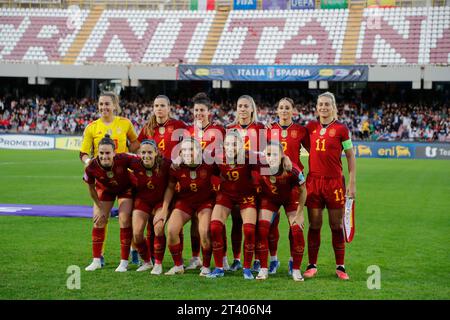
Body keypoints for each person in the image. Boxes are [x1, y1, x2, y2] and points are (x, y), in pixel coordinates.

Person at [79, 92, 140, 266]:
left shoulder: (125, 123)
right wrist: (89, 162)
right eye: (101, 104)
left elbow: (135, 144)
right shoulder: (92, 127)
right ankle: (99, 258)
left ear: (114, 106)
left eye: (107, 104)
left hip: (124, 178)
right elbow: (83, 153)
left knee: (126, 218)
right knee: (99, 217)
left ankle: (133, 251)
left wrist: (145, 152)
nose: (104, 107)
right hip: (102, 179)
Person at [304, 92, 356, 281]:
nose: (323, 107)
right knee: (314, 225)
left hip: (334, 183)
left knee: (336, 226)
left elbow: (350, 155)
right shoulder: (310, 127)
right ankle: (311, 265)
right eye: (320, 104)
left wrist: (351, 182)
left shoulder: (342, 129)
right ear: (316, 107)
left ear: (333, 107)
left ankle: (340, 266)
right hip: (314, 182)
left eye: (327, 104)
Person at [137, 95, 187, 266]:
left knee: (174, 221)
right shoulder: (148, 128)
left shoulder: (179, 126)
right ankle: (152, 259)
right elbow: (137, 148)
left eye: (162, 105)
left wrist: (180, 159)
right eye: (156, 105)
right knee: (152, 223)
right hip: (154, 179)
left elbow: (189, 145)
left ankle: (177, 261)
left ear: (169, 107)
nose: (159, 108)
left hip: (173, 178)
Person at [207, 130, 259, 279]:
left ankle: (247, 268)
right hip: (226, 196)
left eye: (235, 144)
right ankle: (219, 268)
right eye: (228, 144)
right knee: (215, 227)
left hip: (246, 196)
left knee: (249, 230)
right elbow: (204, 165)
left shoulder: (250, 156)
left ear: (241, 145)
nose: (231, 147)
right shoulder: (217, 156)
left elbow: (272, 158)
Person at [164, 138, 218, 276]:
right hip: (185, 202)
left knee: (205, 231)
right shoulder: (177, 167)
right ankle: (178, 266)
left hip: (205, 203)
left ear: (199, 151)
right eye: (184, 150)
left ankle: (206, 266)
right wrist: (164, 209)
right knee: (171, 230)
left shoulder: (209, 164)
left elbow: (224, 174)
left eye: (191, 149)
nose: (187, 153)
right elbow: (170, 187)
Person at [266, 97, 309, 275]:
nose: (284, 111)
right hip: (274, 184)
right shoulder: (268, 131)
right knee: (271, 225)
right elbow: (262, 156)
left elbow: (313, 154)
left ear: (293, 111)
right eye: (281, 107)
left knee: (295, 225)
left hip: (293, 185)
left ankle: (293, 261)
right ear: (277, 111)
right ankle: (273, 260)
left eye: (287, 108)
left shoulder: (300, 131)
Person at [83, 134, 137, 272]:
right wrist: (100, 207)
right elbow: (90, 188)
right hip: (106, 191)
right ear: (97, 153)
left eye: (108, 153)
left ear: (114, 152)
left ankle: (124, 262)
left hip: (125, 189)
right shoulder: (91, 167)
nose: (104, 156)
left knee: (124, 219)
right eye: (101, 153)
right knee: (98, 220)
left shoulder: (124, 158)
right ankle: (96, 260)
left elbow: (141, 161)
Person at [254, 142, 307, 281]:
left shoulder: (292, 169)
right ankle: (264, 269)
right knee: (262, 229)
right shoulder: (260, 164)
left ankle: (296, 270)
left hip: (291, 198)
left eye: (275, 154)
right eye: (268, 154)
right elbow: (245, 153)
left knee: (297, 230)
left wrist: (300, 213)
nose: (271, 157)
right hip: (270, 199)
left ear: (282, 156)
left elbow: (303, 190)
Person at [185, 92, 226, 271]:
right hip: (194, 182)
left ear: (209, 112)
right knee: (195, 221)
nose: (199, 113)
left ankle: (222, 256)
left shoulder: (219, 130)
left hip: (214, 181)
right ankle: (196, 257)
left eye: (202, 110)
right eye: (196, 110)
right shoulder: (188, 131)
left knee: (216, 221)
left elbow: (224, 156)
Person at [226, 95, 266, 272]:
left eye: (245, 106)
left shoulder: (260, 128)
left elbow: (265, 156)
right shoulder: (229, 129)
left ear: (252, 109)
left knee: (254, 223)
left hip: (255, 182)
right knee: (236, 222)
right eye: (239, 106)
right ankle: (236, 259)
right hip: (236, 182)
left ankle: (257, 258)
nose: (242, 109)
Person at [128, 140, 171, 272]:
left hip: (159, 202)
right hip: (143, 201)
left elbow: (173, 182)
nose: (146, 155)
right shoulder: (134, 163)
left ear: (156, 153)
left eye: (149, 152)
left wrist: (165, 208)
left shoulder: (166, 164)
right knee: (136, 234)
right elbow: (118, 158)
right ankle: (147, 262)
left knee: (158, 228)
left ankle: (158, 263)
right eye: (143, 152)